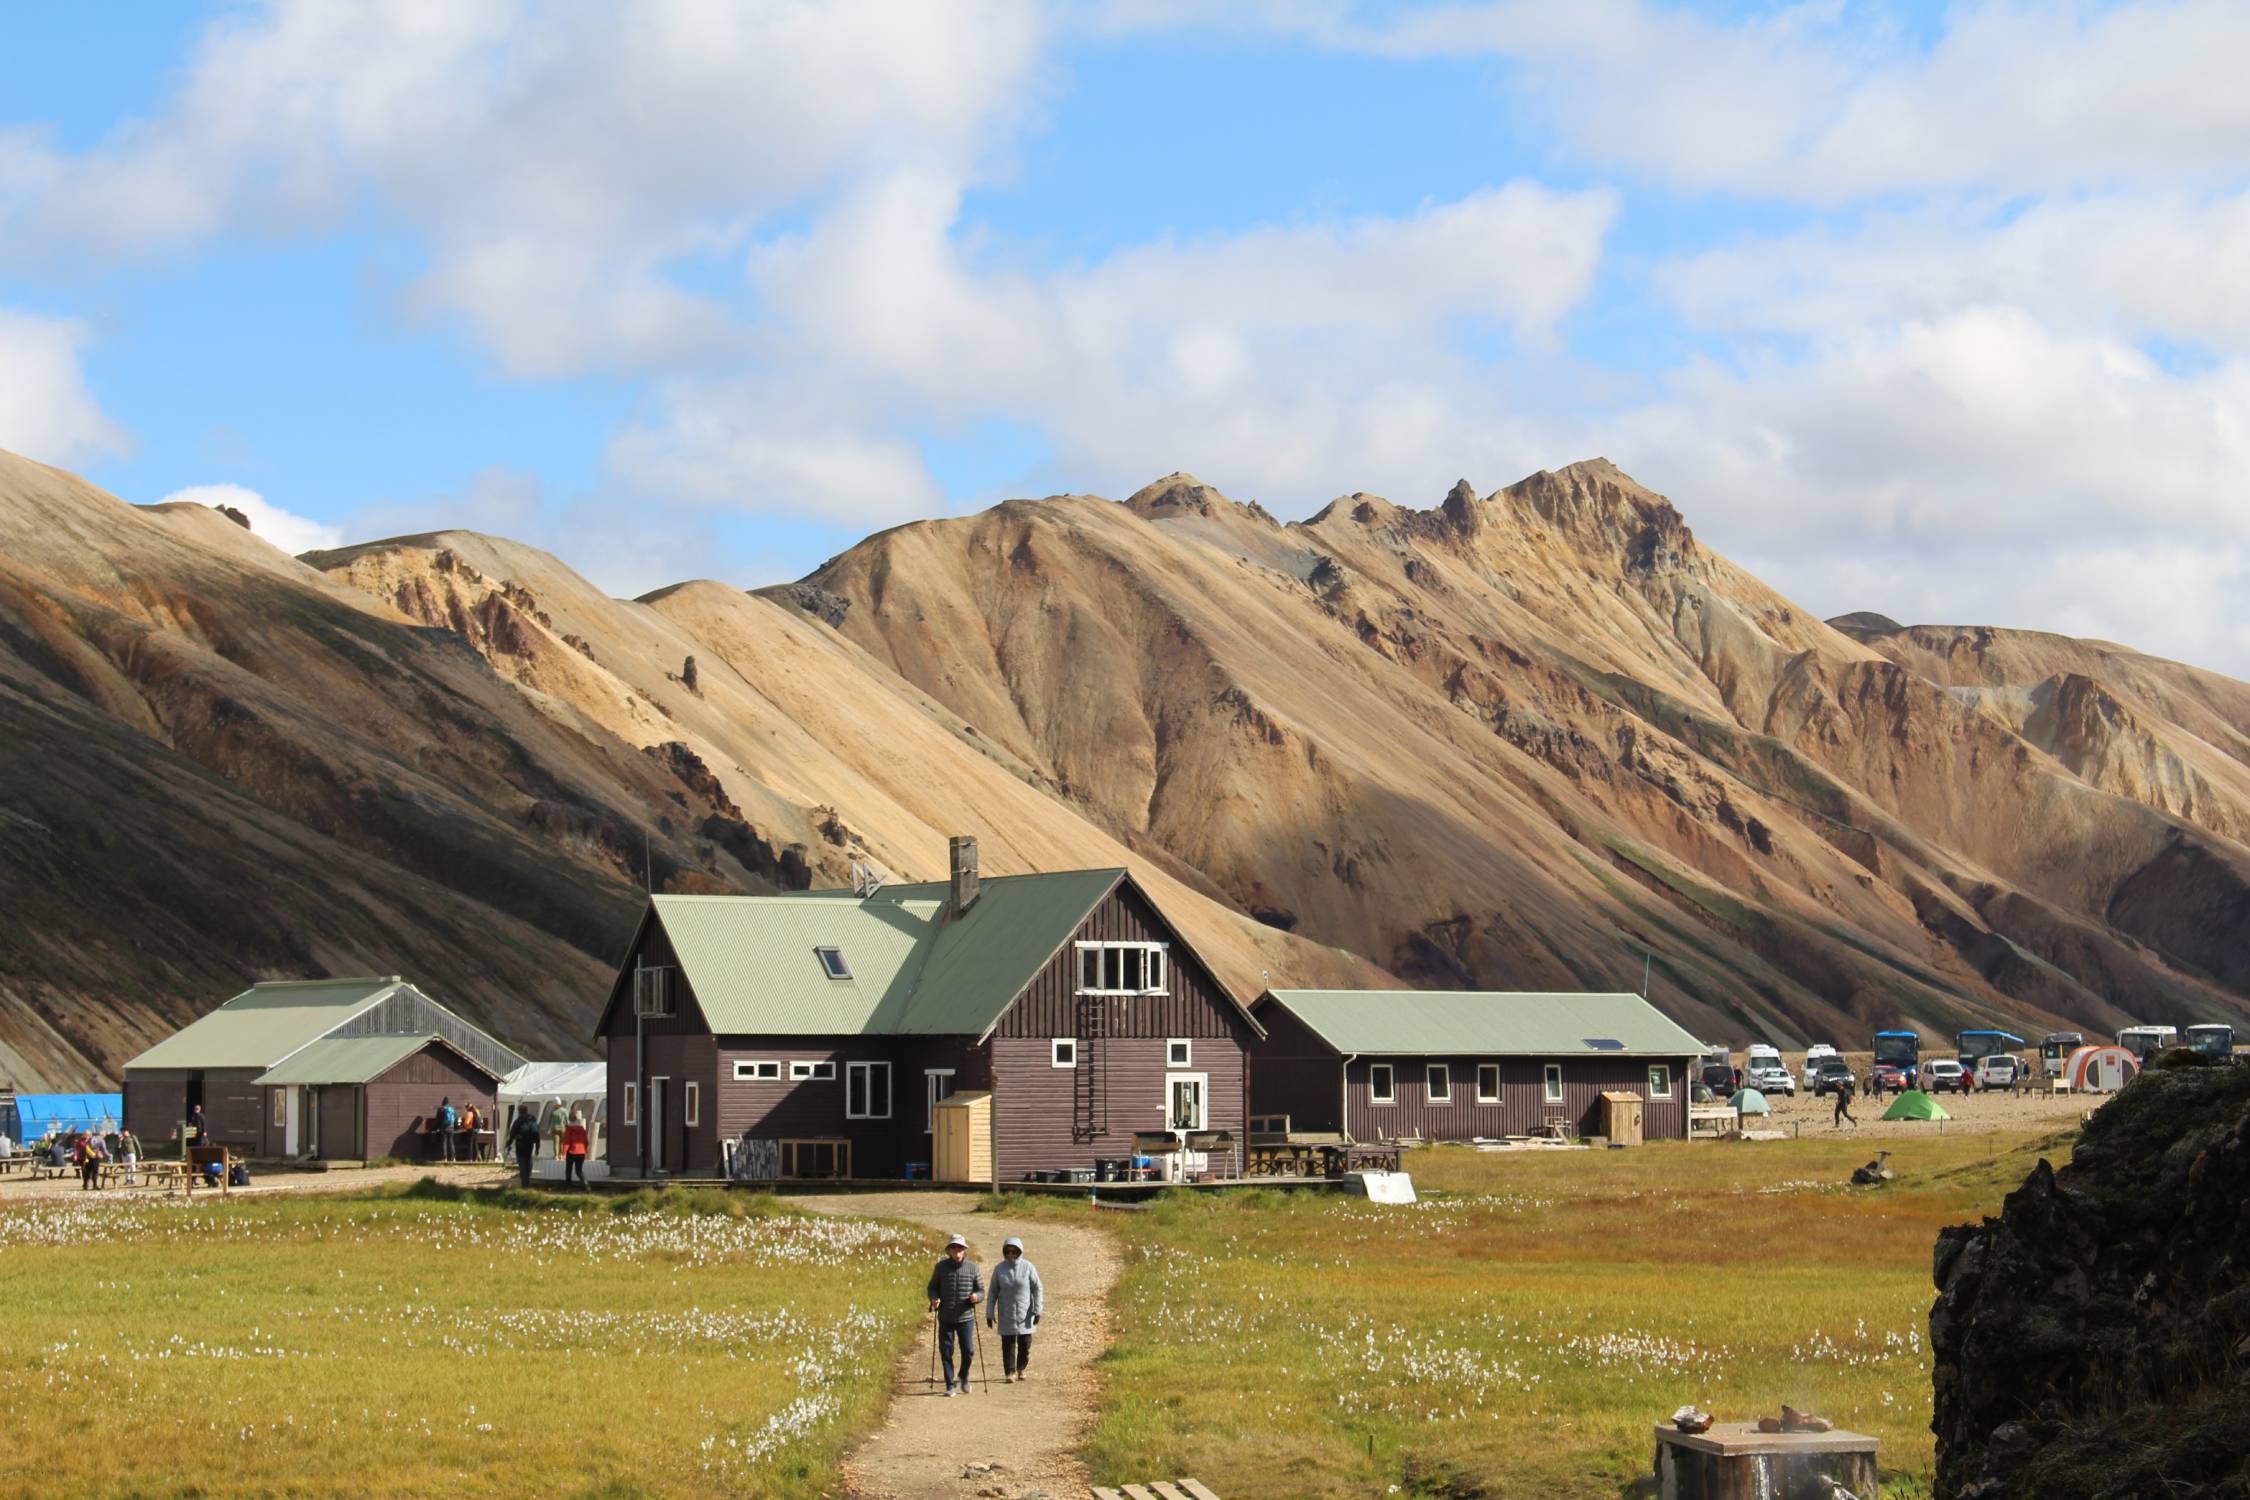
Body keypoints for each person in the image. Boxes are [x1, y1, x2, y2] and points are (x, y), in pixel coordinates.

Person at [926, 1232, 983, 1395]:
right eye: (954, 1248)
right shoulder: (940, 1267)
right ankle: (950, 1385)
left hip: (966, 1317)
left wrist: (976, 1297)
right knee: (946, 1351)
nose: (957, 1251)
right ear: (949, 1250)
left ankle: (963, 1375)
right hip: (945, 1317)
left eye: (960, 1248)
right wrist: (934, 1298)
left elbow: (981, 1290)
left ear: (964, 1250)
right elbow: (932, 1287)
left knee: (968, 1351)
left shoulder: (973, 1268)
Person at [986, 1236, 1044, 1383]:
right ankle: (1010, 1372)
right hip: (1006, 1313)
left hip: (1025, 1313)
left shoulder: (1028, 1267)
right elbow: (992, 1291)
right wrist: (989, 1312)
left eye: (1014, 1252)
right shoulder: (999, 1269)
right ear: (1004, 1252)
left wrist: (1038, 1309)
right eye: (1008, 1252)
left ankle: (1021, 1368)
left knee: (1025, 1345)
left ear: (1020, 1252)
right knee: (1008, 1345)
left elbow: (1037, 1288)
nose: (1011, 1255)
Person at [506, 1104, 541, 1188]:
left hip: (520, 1144)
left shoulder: (518, 1121)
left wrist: (509, 1144)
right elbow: (536, 1134)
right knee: (528, 1161)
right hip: (530, 1144)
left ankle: (525, 1183)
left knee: (522, 1163)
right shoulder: (532, 1120)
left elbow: (512, 1133)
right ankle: (527, 1179)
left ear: (519, 1111)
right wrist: (537, 1147)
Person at [562, 1109, 590, 1189]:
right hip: (581, 1152)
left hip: (571, 1152)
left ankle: (568, 1186)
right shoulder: (582, 1129)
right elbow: (586, 1141)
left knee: (568, 1169)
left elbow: (567, 1142)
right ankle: (586, 1185)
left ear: (569, 1119)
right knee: (579, 1171)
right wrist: (585, 1150)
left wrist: (563, 1153)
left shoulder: (569, 1129)